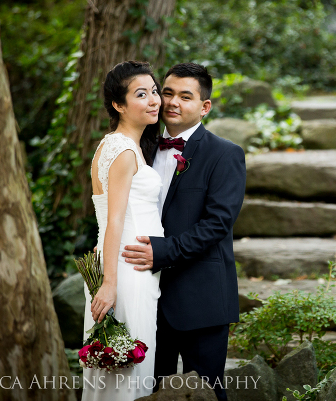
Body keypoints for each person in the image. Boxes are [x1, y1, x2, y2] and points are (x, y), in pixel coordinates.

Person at [121, 62, 246, 401]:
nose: (173, 102)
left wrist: (162, 252)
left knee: (204, 394)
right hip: (146, 297)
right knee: (148, 391)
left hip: (201, 297)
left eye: (185, 96)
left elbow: (218, 224)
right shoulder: (139, 148)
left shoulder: (225, 154)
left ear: (204, 106)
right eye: (168, 93)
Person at [82, 61, 164, 400]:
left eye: (154, 91)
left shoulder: (118, 146)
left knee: (120, 368)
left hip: (126, 265)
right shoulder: (123, 150)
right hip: (125, 270)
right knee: (125, 371)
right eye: (141, 94)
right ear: (118, 105)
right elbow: (114, 220)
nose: (154, 100)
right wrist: (110, 285)